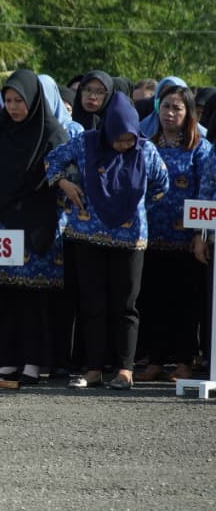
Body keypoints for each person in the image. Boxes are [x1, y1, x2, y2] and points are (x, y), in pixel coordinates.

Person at [47, 91, 169, 389]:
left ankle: (125, 369)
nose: (123, 145)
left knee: (126, 305)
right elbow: (51, 161)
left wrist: (137, 207)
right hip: (89, 235)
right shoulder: (87, 142)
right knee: (93, 304)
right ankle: (93, 369)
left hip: (130, 239)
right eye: (118, 139)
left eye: (128, 139)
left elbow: (161, 185)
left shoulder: (146, 150)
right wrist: (65, 184)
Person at [0, 71, 69, 383]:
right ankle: (6, 359)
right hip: (1, 224)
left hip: (36, 226)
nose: (12, 107)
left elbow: (57, 177)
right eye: (7, 100)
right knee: (2, 295)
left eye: (18, 101)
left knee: (32, 298)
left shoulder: (52, 135)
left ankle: (34, 362)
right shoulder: (0, 132)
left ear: (34, 100)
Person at [138, 84, 211, 381]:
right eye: (165, 106)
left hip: (186, 241)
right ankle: (155, 361)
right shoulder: (146, 144)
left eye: (177, 108)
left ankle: (183, 361)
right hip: (151, 236)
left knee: (185, 301)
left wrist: (199, 235)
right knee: (153, 300)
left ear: (188, 113)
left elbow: (205, 192)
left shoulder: (200, 149)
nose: (170, 113)